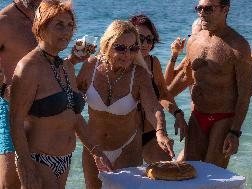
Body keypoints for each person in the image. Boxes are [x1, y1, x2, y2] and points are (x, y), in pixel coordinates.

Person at [9, 1, 112, 189]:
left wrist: (96, 151)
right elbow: (15, 121)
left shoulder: (66, 67)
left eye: (70, 25)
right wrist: (26, 168)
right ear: (41, 27)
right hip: (38, 159)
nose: (67, 32)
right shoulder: (28, 67)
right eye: (59, 25)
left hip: (64, 160)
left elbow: (74, 116)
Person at [77, 20, 174, 189]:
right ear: (107, 44)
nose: (128, 54)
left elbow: (153, 108)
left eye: (133, 48)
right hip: (94, 149)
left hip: (127, 148)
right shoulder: (91, 66)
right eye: (121, 48)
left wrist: (160, 131)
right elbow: (71, 103)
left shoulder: (139, 75)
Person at [168, 0, 252, 168]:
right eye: (199, 8)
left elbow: (244, 93)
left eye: (208, 8)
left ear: (225, 10)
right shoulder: (194, 41)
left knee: (213, 177)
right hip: (198, 116)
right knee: (191, 172)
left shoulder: (238, 46)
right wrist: (172, 108)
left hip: (223, 118)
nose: (202, 13)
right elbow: (186, 77)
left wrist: (234, 132)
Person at [129, 14, 188, 163]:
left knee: (168, 177)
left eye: (150, 39)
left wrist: (178, 113)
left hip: (152, 134)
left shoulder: (153, 62)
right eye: (140, 38)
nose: (145, 44)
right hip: (125, 137)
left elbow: (162, 92)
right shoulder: (122, 64)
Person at [0, 0, 42, 188]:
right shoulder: (4, 21)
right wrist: (3, 90)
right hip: (10, 108)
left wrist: (73, 60)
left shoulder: (46, 16)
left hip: (43, 111)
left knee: (37, 180)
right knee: (11, 180)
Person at [164, 18, 201, 97]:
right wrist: (174, 54)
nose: (194, 40)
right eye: (192, 36)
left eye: (198, 37)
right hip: (197, 109)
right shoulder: (191, 58)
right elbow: (168, 83)